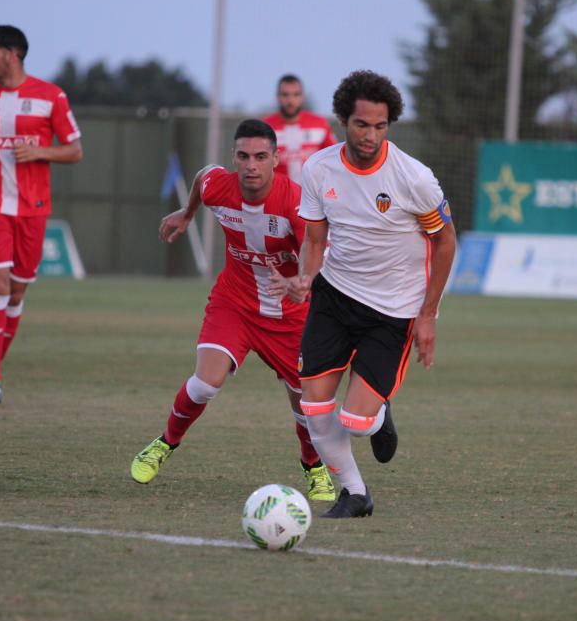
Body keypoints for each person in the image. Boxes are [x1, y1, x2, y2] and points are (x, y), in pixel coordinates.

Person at [272, 70, 457, 519]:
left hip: (393, 311)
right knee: (313, 404)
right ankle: (355, 494)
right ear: (342, 121)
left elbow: (445, 242)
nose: (371, 135)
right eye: (361, 125)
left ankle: (378, 410)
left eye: (380, 126)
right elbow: (315, 240)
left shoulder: (414, 178)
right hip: (335, 297)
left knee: (356, 423)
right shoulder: (319, 168)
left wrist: (428, 316)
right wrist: (305, 278)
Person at [130, 119, 336, 503]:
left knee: (306, 403)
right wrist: (187, 214)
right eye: (243, 156)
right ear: (234, 158)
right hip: (235, 303)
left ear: (276, 159)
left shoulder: (294, 203)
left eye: (260, 157)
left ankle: (313, 466)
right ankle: (164, 443)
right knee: (206, 383)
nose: (251, 165)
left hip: (289, 313)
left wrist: (303, 282)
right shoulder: (218, 187)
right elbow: (202, 177)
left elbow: (315, 248)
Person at [0, 25, 83, 405]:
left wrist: (43, 152)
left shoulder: (50, 96)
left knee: (16, 292)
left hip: (33, 207)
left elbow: (75, 150)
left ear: (11, 54)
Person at [262, 74, 337, 182]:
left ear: (303, 97)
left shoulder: (320, 125)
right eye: (285, 95)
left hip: (313, 196)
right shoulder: (265, 128)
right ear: (277, 97)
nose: (290, 100)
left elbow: (334, 159)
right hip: (279, 196)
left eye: (296, 94)